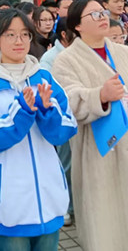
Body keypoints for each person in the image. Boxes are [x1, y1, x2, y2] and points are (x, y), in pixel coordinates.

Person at [51, 0, 128, 251]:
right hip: (100, 154)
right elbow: (67, 102)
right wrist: (100, 96)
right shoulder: (66, 60)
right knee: (108, 226)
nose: (103, 18)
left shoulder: (126, 53)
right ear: (77, 25)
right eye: (94, 15)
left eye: (103, 13)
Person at [0, 9, 77, 251]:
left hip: (49, 197)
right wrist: (21, 112)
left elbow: (67, 128)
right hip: (10, 200)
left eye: (24, 34)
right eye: (10, 35)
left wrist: (47, 111)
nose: (18, 41)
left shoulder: (44, 77)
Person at [39, 16, 76, 225]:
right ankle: (66, 206)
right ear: (64, 34)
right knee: (65, 163)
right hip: (62, 116)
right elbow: (47, 90)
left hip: (82, 115)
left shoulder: (81, 53)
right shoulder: (50, 58)